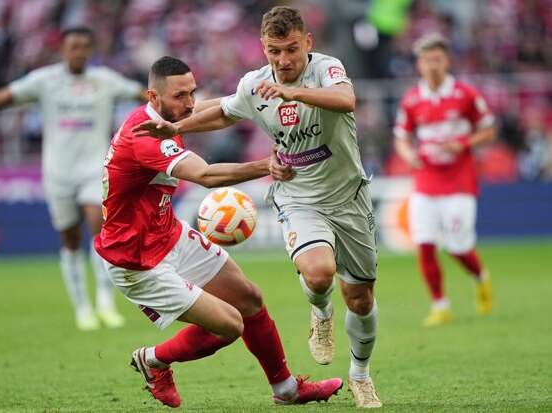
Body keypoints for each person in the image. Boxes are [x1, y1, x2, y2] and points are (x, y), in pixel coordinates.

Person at [134, 7, 382, 409]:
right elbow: (224, 112)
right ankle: (321, 313)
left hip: (349, 196)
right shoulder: (254, 84)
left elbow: (346, 100)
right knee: (319, 275)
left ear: (307, 43)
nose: (283, 60)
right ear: (263, 48)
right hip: (298, 195)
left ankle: (360, 374)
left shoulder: (327, 69)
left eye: (291, 49)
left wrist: (293, 93)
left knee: (361, 299)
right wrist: (177, 127)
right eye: (273, 51)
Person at [95, 55, 343, 408]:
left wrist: (256, 98)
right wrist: (267, 165)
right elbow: (206, 175)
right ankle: (153, 360)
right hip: (136, 261)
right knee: (230, 324)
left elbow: (217, 108)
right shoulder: (145, 137)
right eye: (180, 96)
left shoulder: (166, 118)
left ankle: (287, 390)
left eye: (191, 92)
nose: (189, 103)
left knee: (249, 299)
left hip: (167, 234)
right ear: (153, 97)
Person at [0, 27, 145, 331]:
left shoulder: (105, 80)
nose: (78, 52)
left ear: (91, 50)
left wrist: (171, 99)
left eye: (84, 47)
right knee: (70, 239)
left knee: (99, 229)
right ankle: (82, 307)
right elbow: (3, 99)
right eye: (73, 46)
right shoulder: (45, 80)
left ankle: (105, 303)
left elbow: (141, 94)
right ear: (63, 50)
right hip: (58, 173)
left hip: (94, 170)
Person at [393, 33, 496, 327]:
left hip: (459, 179)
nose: (432, 66)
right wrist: (409, 155)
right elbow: (401, 137)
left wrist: (463, 144)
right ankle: (440, 304)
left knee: (457, 246)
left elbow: (489, 130)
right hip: (426, 178)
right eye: (426, 60)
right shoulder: (412, 99)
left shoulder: (466, 94)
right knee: (424, 243)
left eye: (437, 59)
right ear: (419, 64)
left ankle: (480, 277)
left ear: (447, 61)